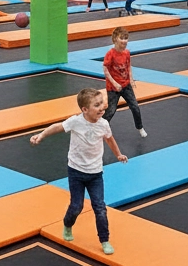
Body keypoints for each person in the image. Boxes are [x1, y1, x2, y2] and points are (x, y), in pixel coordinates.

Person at [31, 88, 128, 255]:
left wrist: (118, 154)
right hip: (76, 171)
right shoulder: (76, 121)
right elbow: (57, 127)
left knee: (100, 207)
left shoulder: (103, 124)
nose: (102, 108)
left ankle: (104, 239)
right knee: (77, 206)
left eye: (102, 104)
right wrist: (41, 135)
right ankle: (67, 224)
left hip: (95, 174)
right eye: (96, 105)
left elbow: (109, 139)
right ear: (85, 109)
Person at [102, 27, 146, 137]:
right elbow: (106, 70)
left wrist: (131, 79)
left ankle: (140, 127)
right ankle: (100, 128)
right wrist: (114, 83)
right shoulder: (110, 54)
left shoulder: (126, 53)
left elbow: (128, 66)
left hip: (126, 85)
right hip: (113, 88)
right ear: (115, 39)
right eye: (121, 38)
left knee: (135, 107)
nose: (124, 41)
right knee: (111, 111)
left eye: (126, 38)